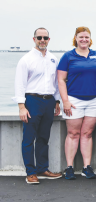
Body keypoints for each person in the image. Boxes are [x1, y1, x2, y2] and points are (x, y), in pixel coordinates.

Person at [12, 27, 62, 184]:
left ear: (49, 40)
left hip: (49, 102)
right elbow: (19, 84)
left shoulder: (53, 59)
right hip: (32, 101)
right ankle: (31, 172)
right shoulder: (26, 59)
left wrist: (57, 101)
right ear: (34, 39)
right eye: (39, 37)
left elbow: (57, 82)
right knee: (29, 138)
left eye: (45, 38)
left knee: (43, 137)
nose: (42, 40)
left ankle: (42, 168)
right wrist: (22, 106)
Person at [57, 26, 96, 180]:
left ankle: (86, 167)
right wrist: (65, 101)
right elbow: (61, 80)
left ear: (90, 39)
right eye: (81, 37)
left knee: (87, 133)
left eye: (87, 37)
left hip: (95, 100)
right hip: (74, 100)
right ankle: (69, 167)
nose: (84, 40)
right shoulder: (68, 56)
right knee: (73, 133)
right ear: (76, 38)